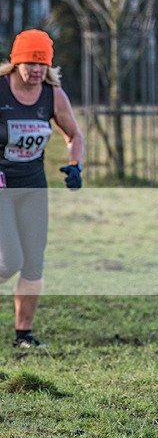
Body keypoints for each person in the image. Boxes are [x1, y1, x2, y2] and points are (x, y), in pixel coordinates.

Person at [0, 29, 85, 348]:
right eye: (30, 63)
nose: (36, 71)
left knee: (34, 262)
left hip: (33, 185)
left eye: (42, 64)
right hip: (2, 184)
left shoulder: (53, 94)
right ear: (15, 62)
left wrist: (75, 165)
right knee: (10, 262)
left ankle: (24, 335)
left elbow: (75, 135)